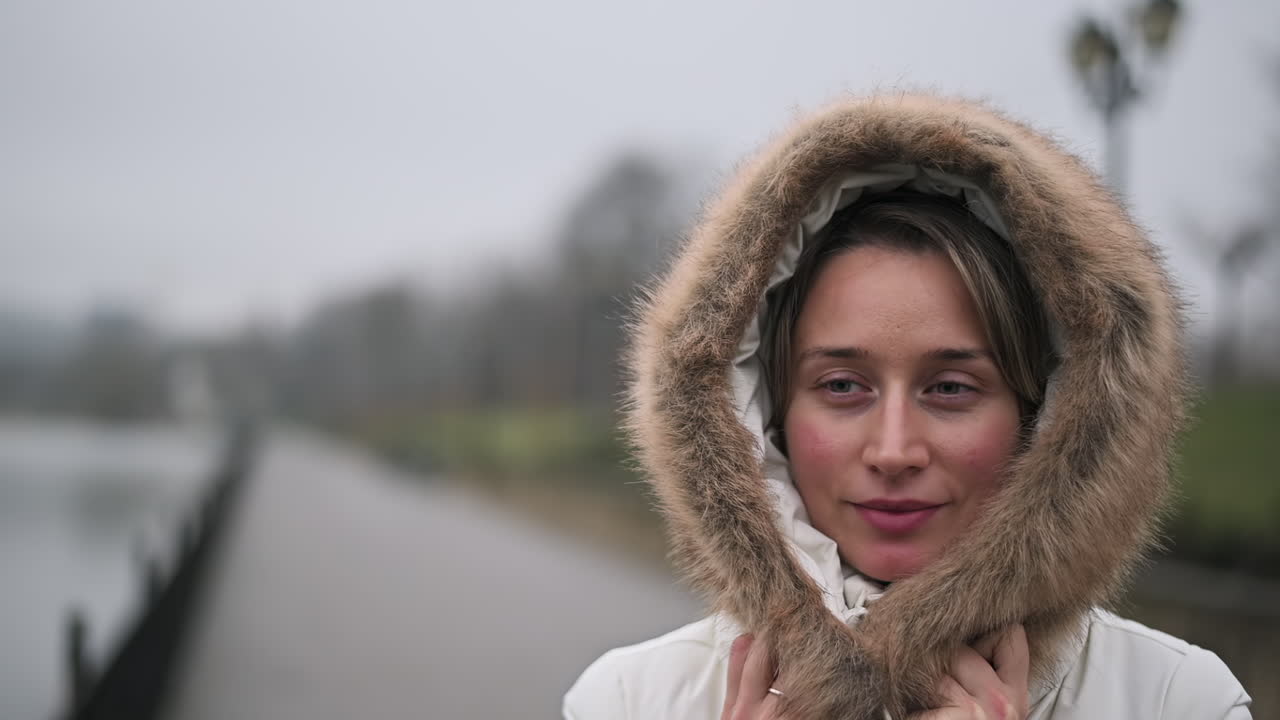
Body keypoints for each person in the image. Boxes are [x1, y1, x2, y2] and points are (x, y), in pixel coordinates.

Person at [562, 94, 1252, 719]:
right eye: (842, 386)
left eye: (950, 388)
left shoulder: (1178, 700)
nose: (894, 451)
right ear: (765, 410)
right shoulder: (626, 701)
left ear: (1046, 418)